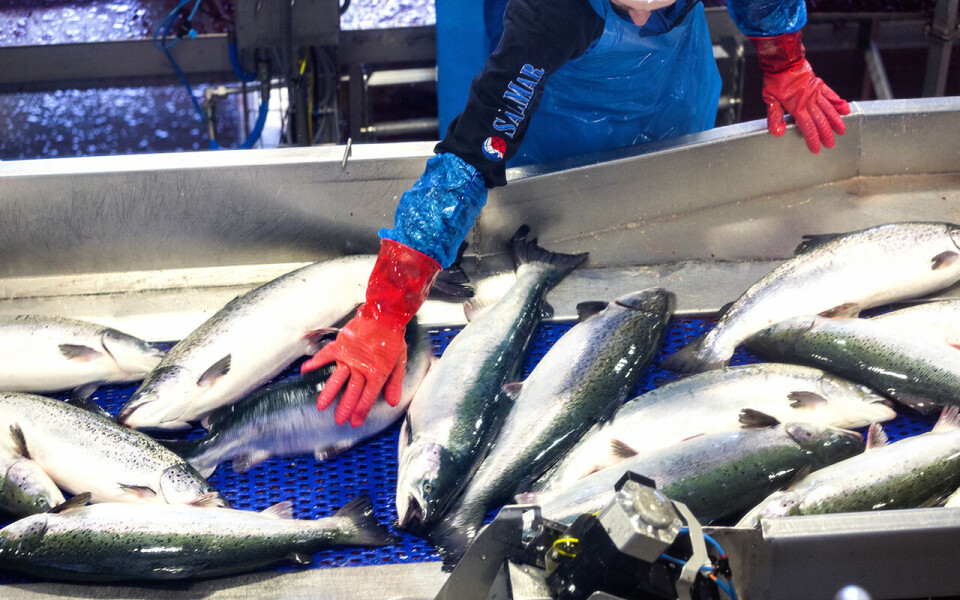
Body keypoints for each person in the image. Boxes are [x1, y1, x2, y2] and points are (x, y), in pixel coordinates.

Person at [302, 0, 851, 426]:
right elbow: (472, 153)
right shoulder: (550, 16)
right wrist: (386, 309)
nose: (641, 13)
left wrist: (787, 61)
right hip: (563, 125)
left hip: (676, 98)